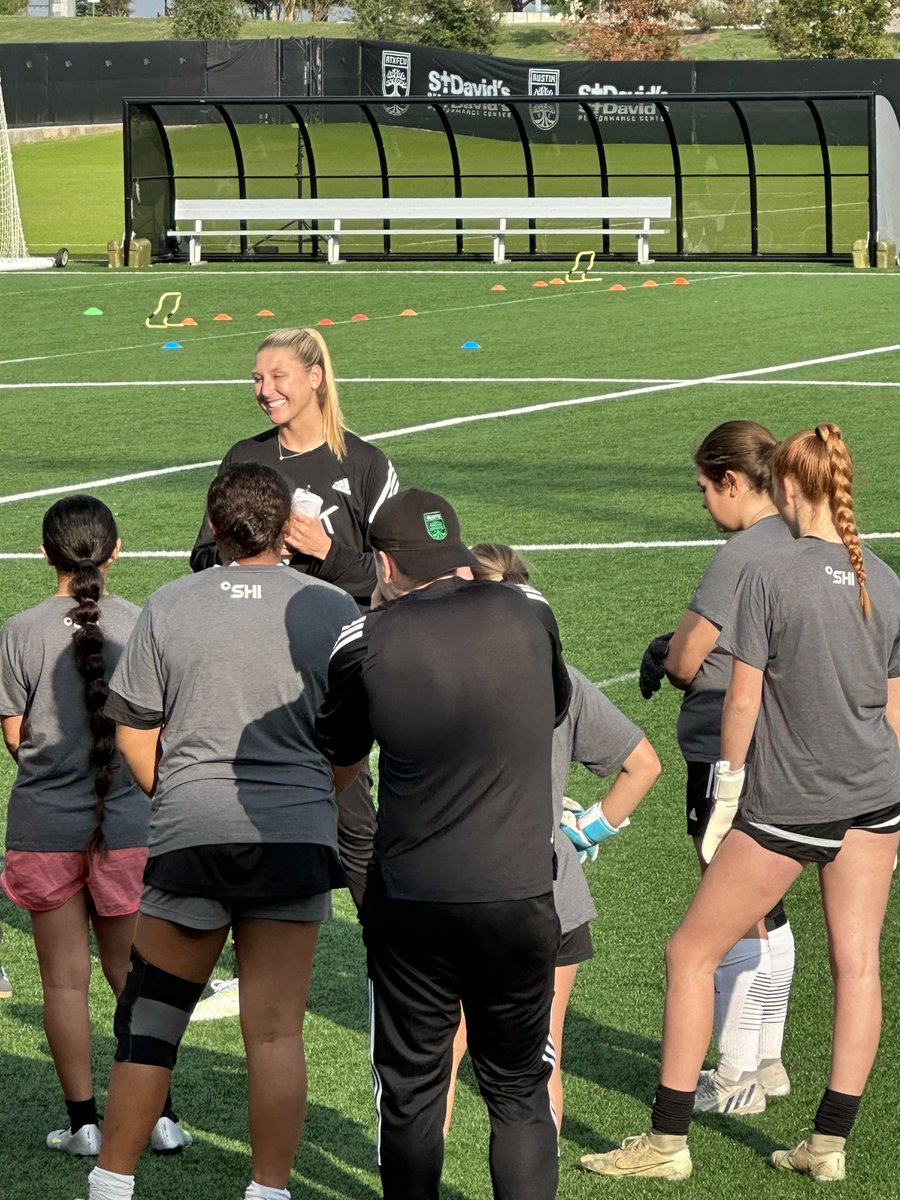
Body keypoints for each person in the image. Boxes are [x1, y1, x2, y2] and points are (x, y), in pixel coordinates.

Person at [584, 423, 900, 1183]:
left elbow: (742, 702)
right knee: (858, 966)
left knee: (689, 953)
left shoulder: (770, 575)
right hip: (876, 800)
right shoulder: (884, 577)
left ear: (788, 487)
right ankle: (826, 1146)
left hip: (791, 802)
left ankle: (666, 1143)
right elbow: (894, 709)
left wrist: (728, 793)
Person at [80, 463, 359, 1200]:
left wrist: (177, 798)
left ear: (213, 524)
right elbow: (351, 748)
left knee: (151, 1023)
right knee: (275, 1035)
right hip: (294, 841)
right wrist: (309, 799)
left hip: (191, 837)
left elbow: (135, 731)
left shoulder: (170, 604)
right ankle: (267, 1190)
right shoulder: (332, 608)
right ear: (286, 526)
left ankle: (111, 1183)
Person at [317, 490, 572, 1200]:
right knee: (519, 1089)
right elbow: (552, 708)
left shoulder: (362, 641)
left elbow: (338, 762)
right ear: (456, 554)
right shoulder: (532, 611)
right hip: (519, 890)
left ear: (387, 563)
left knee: (413, 1093)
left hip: (415, 899)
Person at [189, 327, 397, 1019]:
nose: (264, 390)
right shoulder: (244, 459)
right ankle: (250, 968)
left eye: (277, 376)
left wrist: (328, 551)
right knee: (245, 808)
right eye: (256, 378)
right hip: (251, 667)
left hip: (335, 674)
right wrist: (253, 554)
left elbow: (397, 583)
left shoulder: (363, 465)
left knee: (353, 820)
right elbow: (200, 557)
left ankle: (392, 963)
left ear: (314, 377)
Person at [443, 543, 660, 1134]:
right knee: (541, 1056)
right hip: (553, 893)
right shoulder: (563, 678)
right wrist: (587, 830)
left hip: (463, 892)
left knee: (443, 1055)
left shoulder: (442, 677)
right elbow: (643, 764)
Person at [0, 496, 185, 1157]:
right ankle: (159, 1117)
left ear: (45, 552)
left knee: (62, 983)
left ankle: (83, 1125)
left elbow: (17, 735)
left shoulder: (20, 630)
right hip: (132, 827)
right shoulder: (144, 623)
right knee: (134, 978)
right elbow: (158, 731)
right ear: (117, 550)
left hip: (44, 826)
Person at [638, 421, 796, 1116]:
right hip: (785, 747)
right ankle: (767, 1060)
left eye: (706, 488)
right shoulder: (801, 534)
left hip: (725, 749)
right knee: (768, 902)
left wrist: (663, 651)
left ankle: (734, 1075)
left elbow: (686, 658)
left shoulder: (741, 553)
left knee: (728, 912)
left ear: (733, 482)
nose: (704, 501)